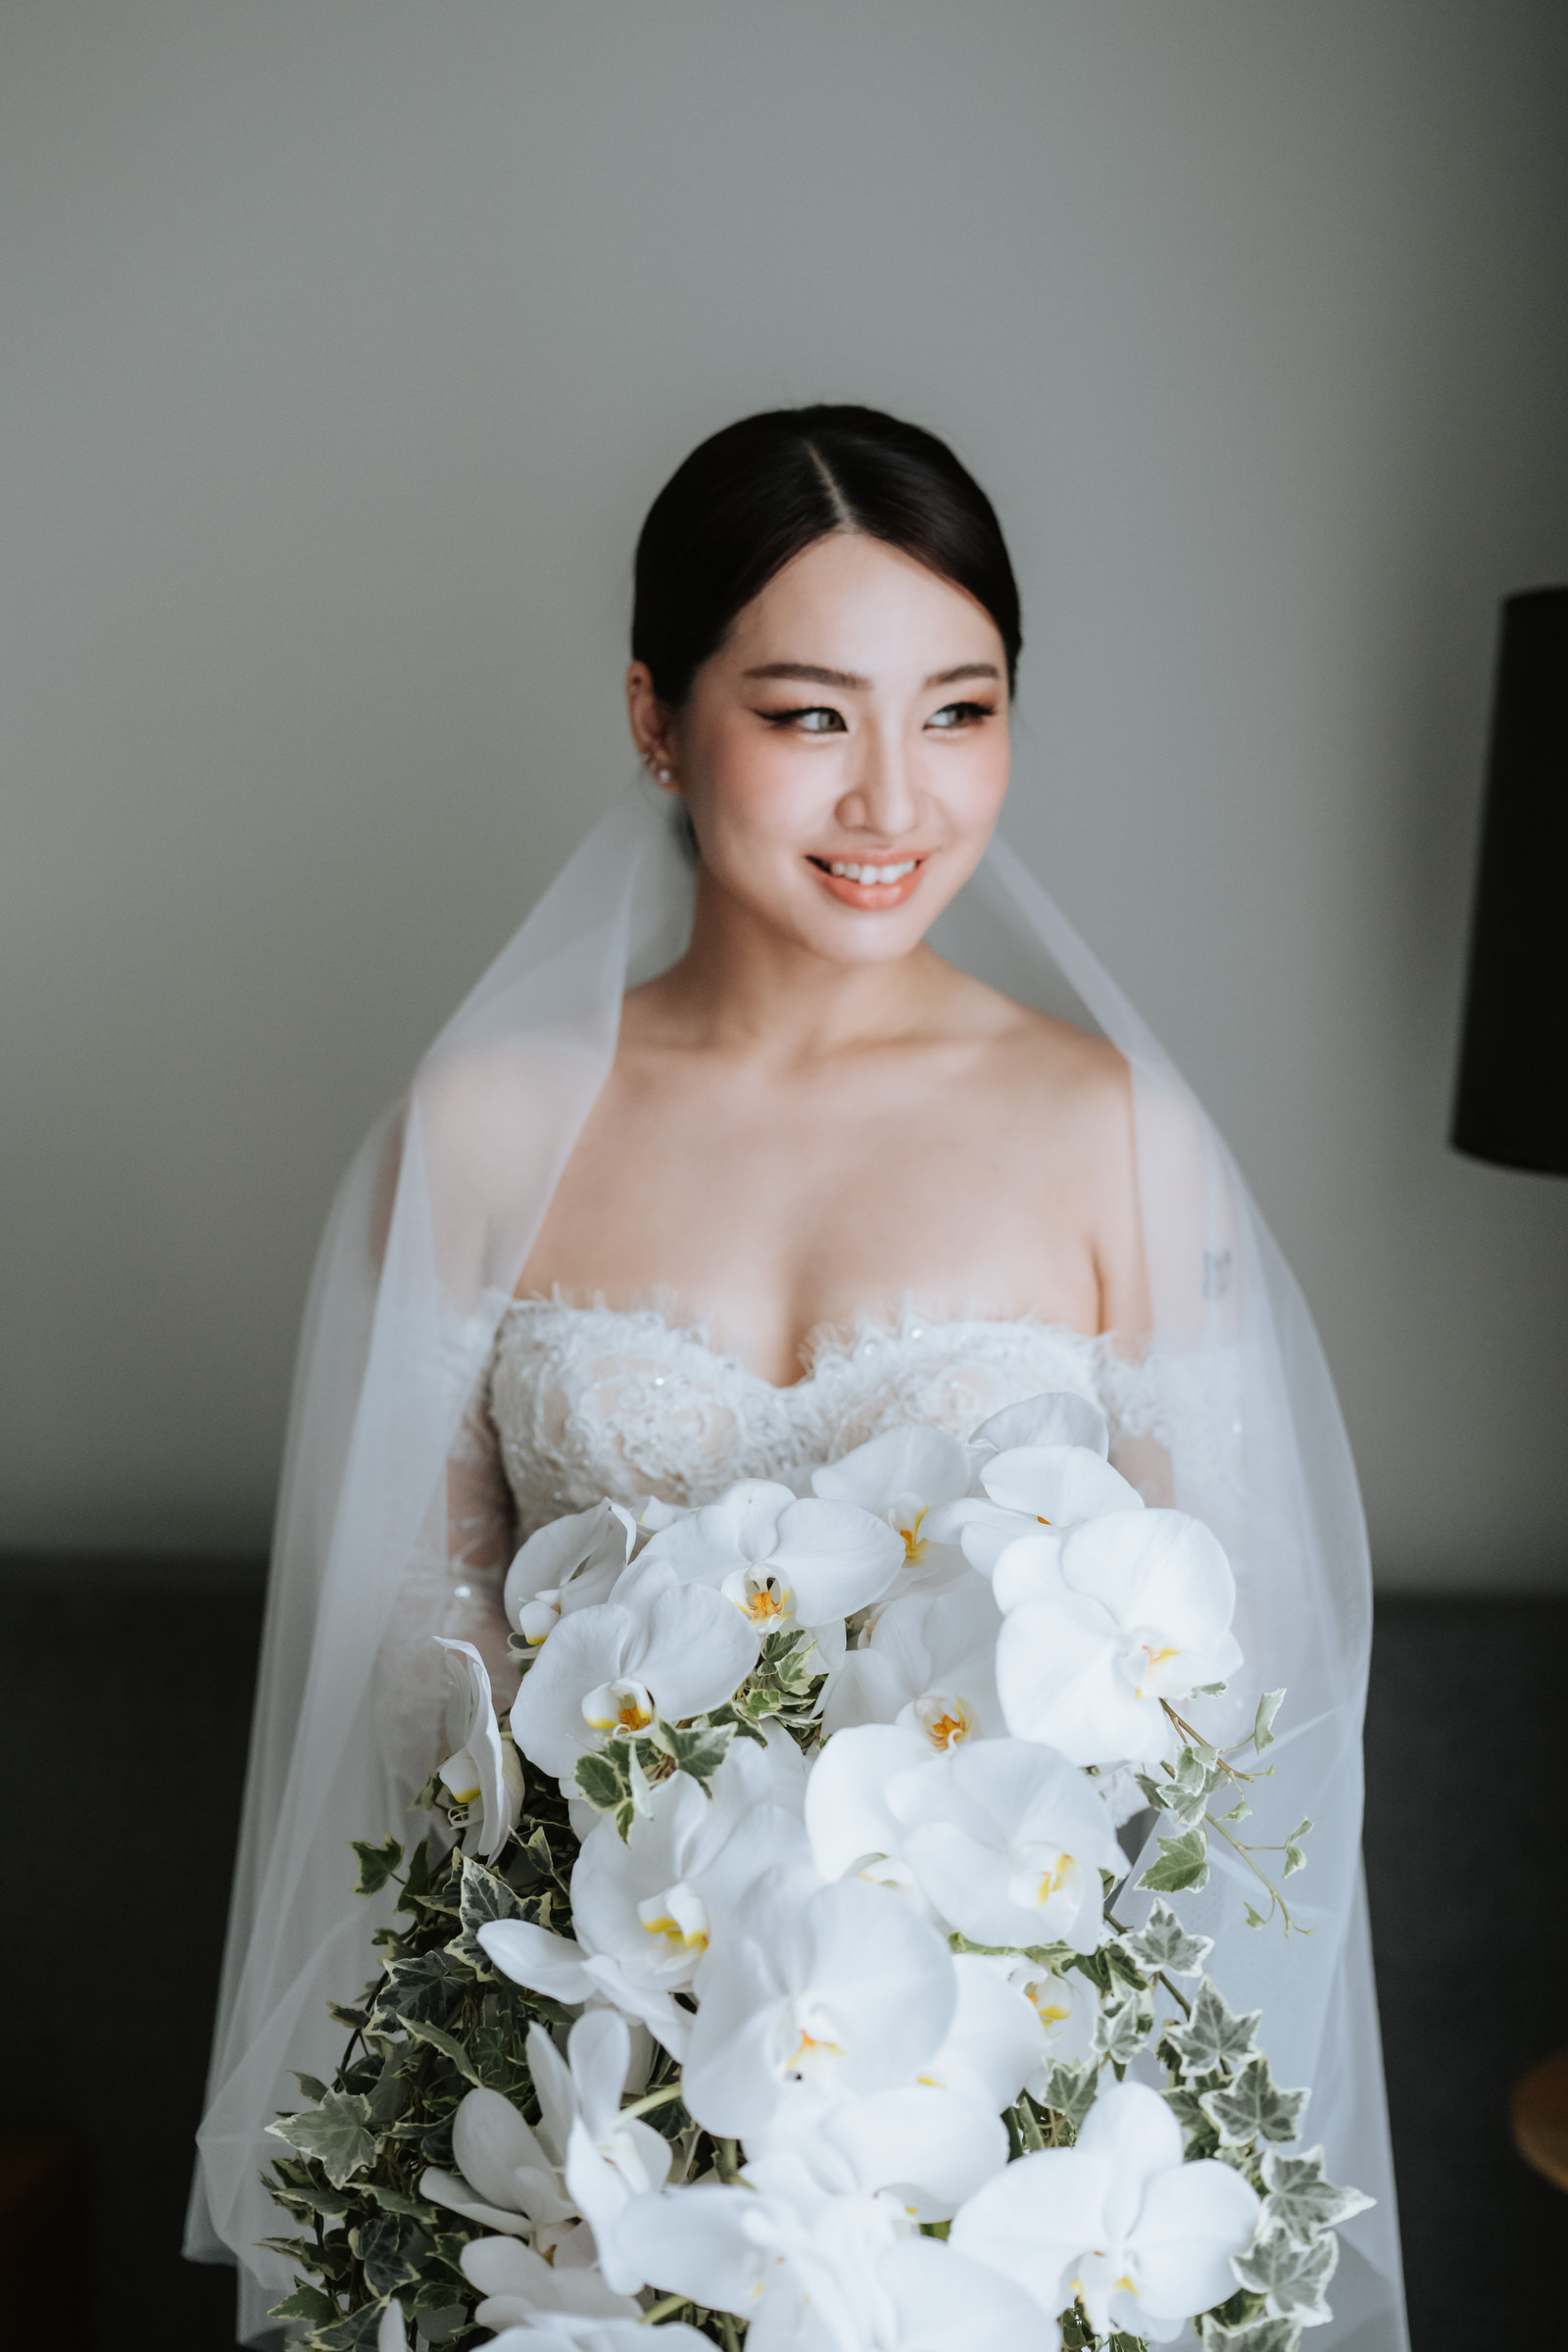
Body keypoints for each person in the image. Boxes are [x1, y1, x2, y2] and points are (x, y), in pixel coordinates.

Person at [187, 407, 1407, 2350]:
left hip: (989, 2137)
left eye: (958, 708)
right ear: (657, 720)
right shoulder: (487, 1129)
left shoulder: (1113, 1138)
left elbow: (1206, 1713)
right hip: (589, 2133)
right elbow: (428, 1716)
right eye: (810, 714)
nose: (893, 799)